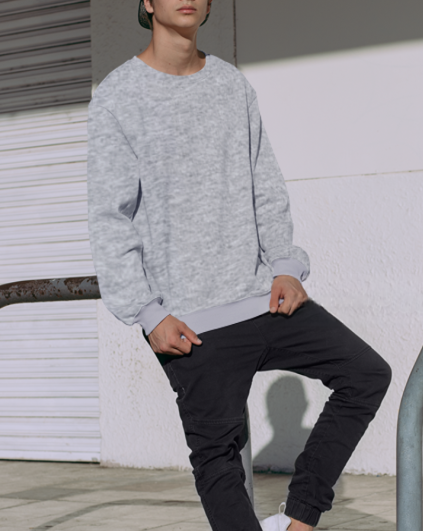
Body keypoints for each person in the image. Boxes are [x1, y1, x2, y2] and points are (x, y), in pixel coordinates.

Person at [86, 0, 392, 529]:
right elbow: (109, 218)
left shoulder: (230, 85)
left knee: (366, 374)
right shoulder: (117, 96)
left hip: (263, 299)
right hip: (189, 323)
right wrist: (148, 314)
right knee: (218, 459)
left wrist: (286, 266)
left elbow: (264, 185)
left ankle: (300, 518)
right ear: (147, 2)